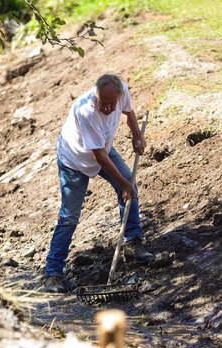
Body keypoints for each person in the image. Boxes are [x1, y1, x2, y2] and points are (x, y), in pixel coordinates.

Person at [43, 74, 154, 293]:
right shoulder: (86, 111)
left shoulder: (121, 90)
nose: (108, 108)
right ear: (96, 97)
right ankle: (53, 274)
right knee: (69, 216)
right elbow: (99, 157)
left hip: (101, 149)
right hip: (74, 158)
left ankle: (132, 242)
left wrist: (136, 135)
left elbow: (129, 113)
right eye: (104, 103)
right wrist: (122, 183)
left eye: (112, 103)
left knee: (131, 188)